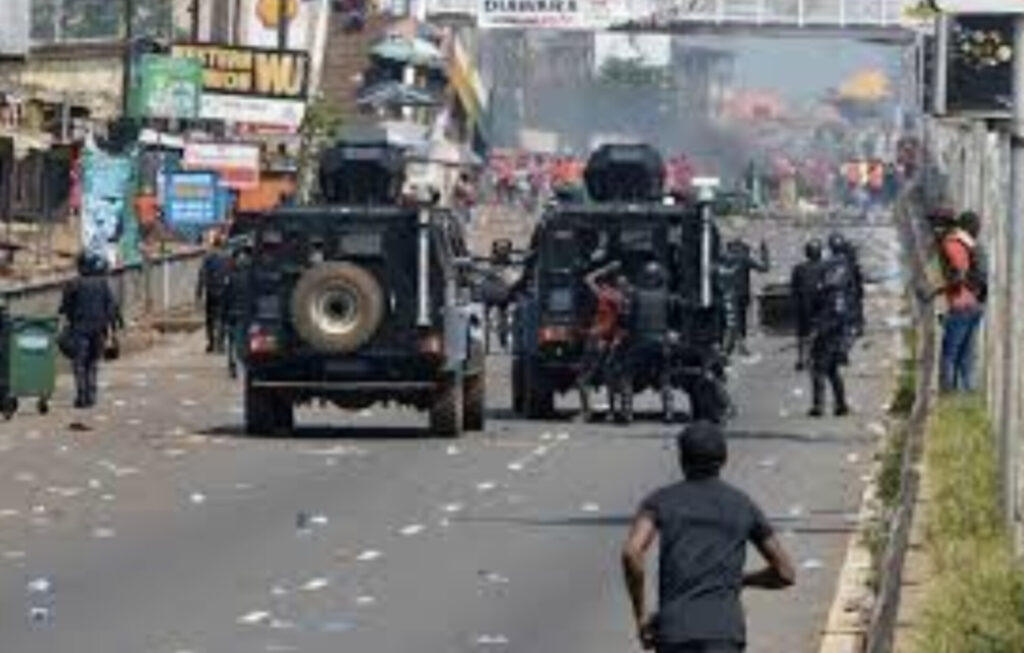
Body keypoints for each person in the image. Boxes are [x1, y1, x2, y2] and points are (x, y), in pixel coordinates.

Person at [622, 422, 796, 653]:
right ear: (723, 460)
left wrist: (641, 615)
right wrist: (740, 580)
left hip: (676, 631)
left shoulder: (660, 501)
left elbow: (632, 552)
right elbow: (785, 573)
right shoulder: (742, 504)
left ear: (682, 459)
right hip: (724, 632)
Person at [59, 252, 122, 409]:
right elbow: (112, 307)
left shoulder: (74, 284)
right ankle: (92, 395)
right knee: (93, 362)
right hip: (99, 328)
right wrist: (111, 327)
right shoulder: (102, 284)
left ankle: (81, 396)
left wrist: (71, 319)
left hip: (80, 328)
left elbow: (65, 307)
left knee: (79, 362)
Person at [934, 211, 986, 392]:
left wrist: (939, 289)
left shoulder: (951, 243)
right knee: (966, 356)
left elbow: (959, 271)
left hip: (960, 305)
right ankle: (967, 392)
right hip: (974, 304)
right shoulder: (968, 244)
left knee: (949, 354)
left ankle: (948, 393)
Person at [621, 261, 678, 424]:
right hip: (661, 341)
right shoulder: (666, 295)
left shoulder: (636, 295)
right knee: (665, 377)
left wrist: (628, 335)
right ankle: (669, 411)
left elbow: (629, 320)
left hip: (640, 340)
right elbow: (673, 319)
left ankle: (627, 411)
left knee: (627, 375)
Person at [577, 260, 629, 422]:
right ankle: (613, 411)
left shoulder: (604, 294)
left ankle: (586, 413)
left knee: (583, 379)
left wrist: (605, 268)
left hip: (596, 338)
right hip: (611, 341)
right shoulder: (622, 299)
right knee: (610, 377)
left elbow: (588, 279)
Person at [808, 244, 855, 417]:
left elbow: (826, 317)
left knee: (818, 370)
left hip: (827, 337)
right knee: (832, 371)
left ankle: (819, 406)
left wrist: (819, 331)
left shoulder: (828, 294)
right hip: (837, 337)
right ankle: (841, 404)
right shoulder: (840, 295)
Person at [721, 239, 770, 356]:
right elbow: (764, 268)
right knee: (741, 321)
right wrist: (765, 253)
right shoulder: (744, 259)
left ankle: (728, 347)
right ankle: (739, 346)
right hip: (742, 294)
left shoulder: (723, 259)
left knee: (730, 321)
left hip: (726, 294)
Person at [791, 239, 825, 371]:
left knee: (802, 334)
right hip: (821, 305)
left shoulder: (799, 268)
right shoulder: (825, 267)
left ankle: (801, 358)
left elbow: (794, 289)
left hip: (804, 306)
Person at [223, 240, 253, 380]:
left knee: (233, 341)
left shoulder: (231, 278)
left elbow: (226, 298)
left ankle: (233, 363)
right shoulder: (252, 279)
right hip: (247, 315)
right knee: (244, 340)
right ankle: (243, 364)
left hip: (233, 314)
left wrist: (223, 316)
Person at [196, 233, 231, 354]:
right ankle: (220, 344)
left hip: (212, 292)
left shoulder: (208, 257)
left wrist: (199, 293)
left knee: (210, 318)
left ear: (214, 244)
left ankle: (211, 343)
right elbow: (232, 274)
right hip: (225, 292)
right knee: (223, 318)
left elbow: (202, 275)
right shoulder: (228, 258)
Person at [827, 232, 865, 338]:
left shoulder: (847, 260)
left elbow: (856, 277)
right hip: (843, 291)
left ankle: (856, 325)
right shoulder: (833, 261)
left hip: (848, 290)